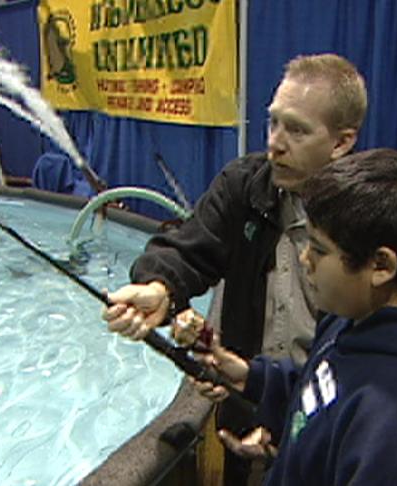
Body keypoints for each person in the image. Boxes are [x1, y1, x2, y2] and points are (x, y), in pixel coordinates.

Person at [101, 53, 367, 483]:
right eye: (273, 123)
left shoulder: (368, 217)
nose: (275, 143)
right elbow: (189, 250)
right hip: (245, 396)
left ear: (341, 143)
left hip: (326, 420)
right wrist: (160, 289)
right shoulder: (245, 185)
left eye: (297, 130)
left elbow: (367, 351)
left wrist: (298, 420)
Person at [188, 148, 397, 485]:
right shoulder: (355, 317)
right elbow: (325, 387)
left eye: (319, 249)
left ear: (381, 265)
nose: (305, 259)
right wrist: (251, 377)